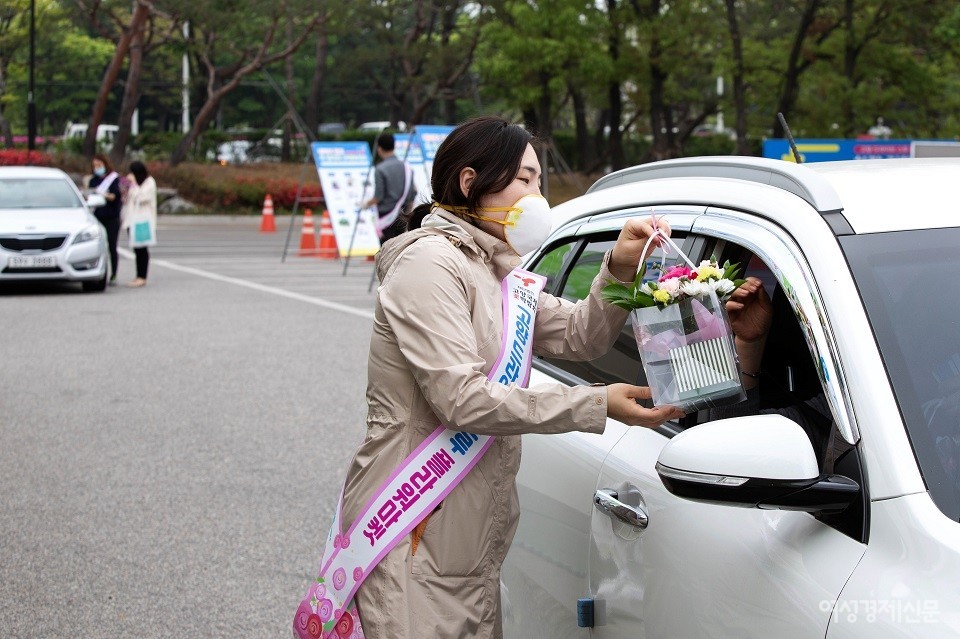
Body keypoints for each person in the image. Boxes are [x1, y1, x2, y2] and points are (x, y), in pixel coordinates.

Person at [297, 115, 685, 639]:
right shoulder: (430, 266)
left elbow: (581, 336)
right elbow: (461, 399)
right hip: (414, 533)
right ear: (470, 182)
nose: (537, 196)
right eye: (525, 180)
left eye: (540, 182)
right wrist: (596, 404)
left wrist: (617, 265)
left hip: (470, 545)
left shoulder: (500, 274)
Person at [360, 133, 416, 243]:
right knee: (400, 248)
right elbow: (412, 193)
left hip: (386, 214)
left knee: (387, 249)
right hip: (403, 214)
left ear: (379, 149)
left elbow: (378, 197)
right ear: (394, 146)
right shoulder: (406, 168)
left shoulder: (380, 169)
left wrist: (366, 204)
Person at [121, 161, 157, 288]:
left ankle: (142, 276)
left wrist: (134, 184)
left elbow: (141, 198)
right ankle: (138, 276)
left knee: (142, 249)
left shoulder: (149, 182)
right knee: (136, 249)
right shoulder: (133, 185)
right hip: (132, 220)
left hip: (143, 221)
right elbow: (127, 200)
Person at [88, 154, 122, 284]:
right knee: (97, 246)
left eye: (99, 165)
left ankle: (114, 274)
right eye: (94, 166)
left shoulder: (113, 179)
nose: (97, 168)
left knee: (112, 246)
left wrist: (103, 194)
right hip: (98, 217)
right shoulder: (93, 180)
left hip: (112, 217)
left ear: (105, 165)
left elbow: (115, 196)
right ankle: (98, 272)